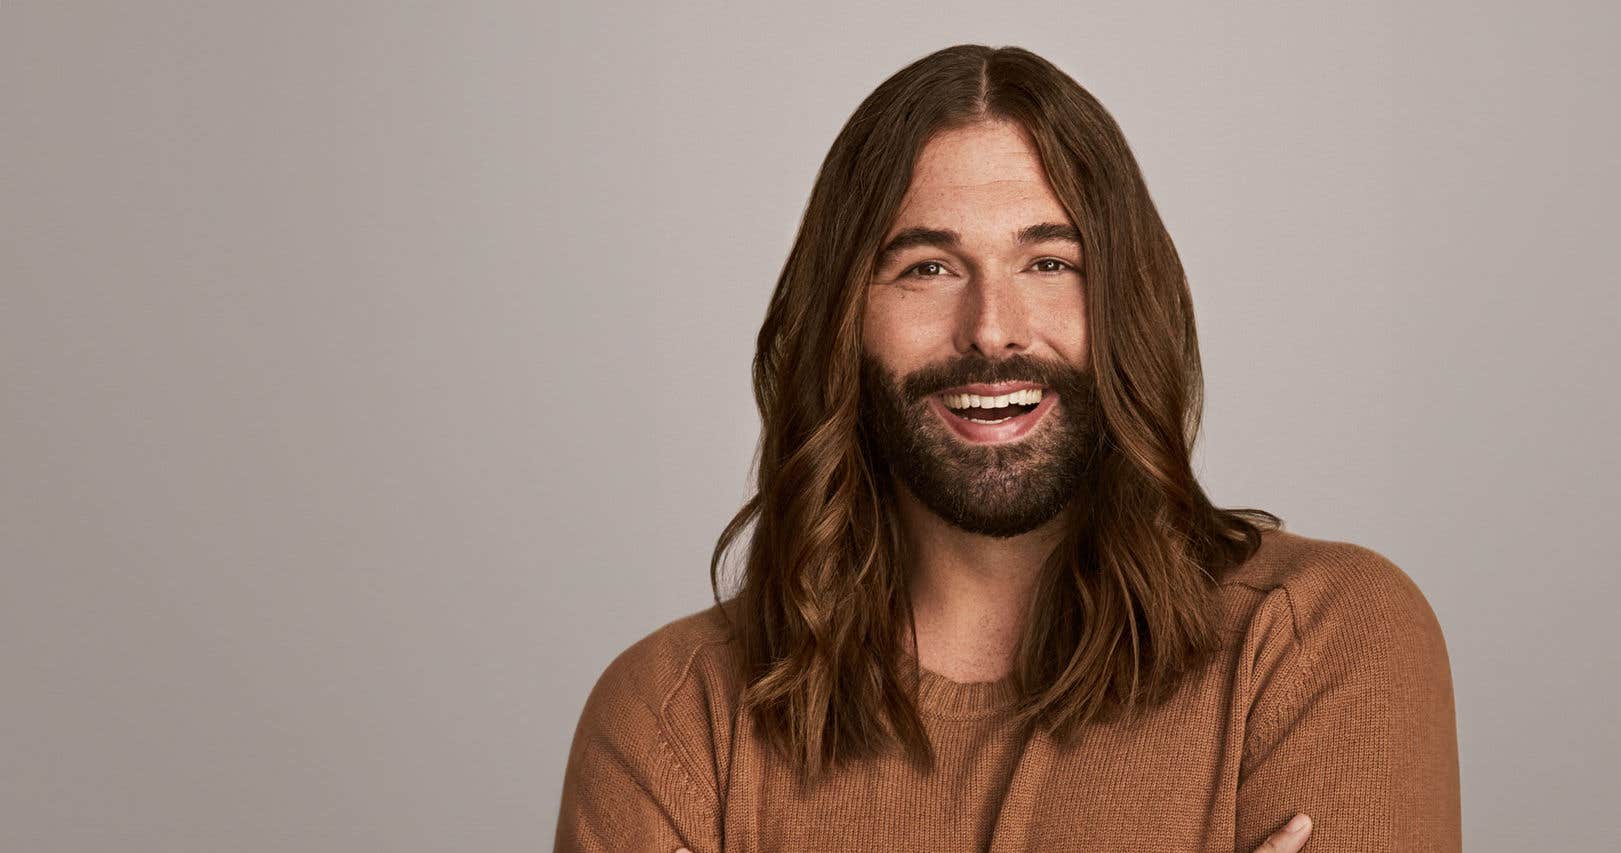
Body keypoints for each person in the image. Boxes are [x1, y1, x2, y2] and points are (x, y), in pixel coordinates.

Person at [553, 44, 1459, 852]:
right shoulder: (673, 721)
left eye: (1051, 262)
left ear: (1123, 306)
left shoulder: (1316, 642)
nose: (993, 329)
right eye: (928, 268)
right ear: (845, 321)